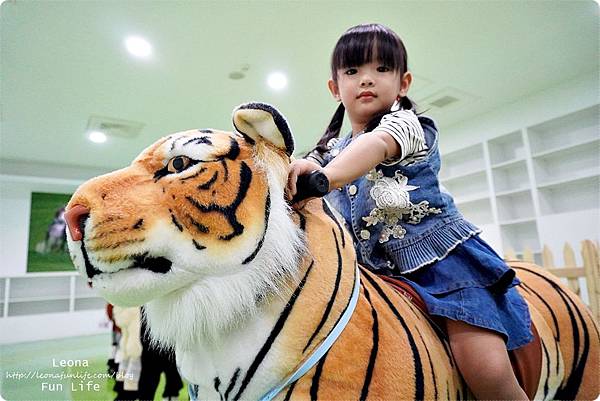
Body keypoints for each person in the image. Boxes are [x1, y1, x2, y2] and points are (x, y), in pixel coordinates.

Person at [287, 23, 533, 401]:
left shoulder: (407, 125)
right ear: (335, 88)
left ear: (403, 83)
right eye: (353, 71)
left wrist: (322, 177)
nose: (367, 79)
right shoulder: (326, 153)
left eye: (381, 69)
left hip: (441, 266)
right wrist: (298, 172)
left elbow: (376, 146)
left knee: (486, 371)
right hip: (368, 278)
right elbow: (310, 176)